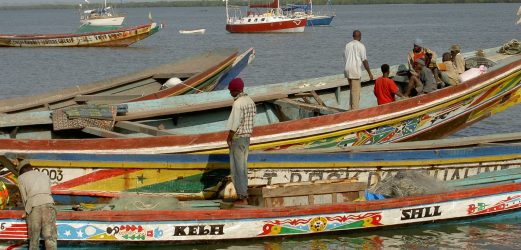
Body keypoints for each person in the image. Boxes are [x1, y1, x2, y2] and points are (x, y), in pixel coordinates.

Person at [225, 78, 256, 205]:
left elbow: (234, 124)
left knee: (237, 169)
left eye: (231, 90)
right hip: (247, 138)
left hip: (238, 138)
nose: (230, 93)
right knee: (243, 167)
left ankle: (242, 197)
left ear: (236, 90)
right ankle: (243, 194)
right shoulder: (250, 101)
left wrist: (229, 137)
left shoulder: (238, 103)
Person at [16, 162, 57, 250]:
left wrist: (26, 212)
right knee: (50, 237)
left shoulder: (21, 178)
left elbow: (24, 198)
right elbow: (48, 191)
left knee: (34, 238)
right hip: (49, 204)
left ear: (21, 171)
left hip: (33, 206)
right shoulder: (44, 175)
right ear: (31, 168)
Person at [344, 30, 373, 110]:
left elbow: (345, 58)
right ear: (360, 37)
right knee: (356, 94)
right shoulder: (361, 46)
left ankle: (350, 109)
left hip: (347, 70)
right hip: (355, 71)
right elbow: (364, 60)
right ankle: (354, 112)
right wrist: (369, 73)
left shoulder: (347, 45)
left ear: (353, 36)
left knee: (352, 92)